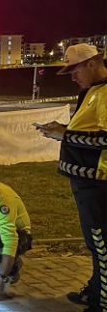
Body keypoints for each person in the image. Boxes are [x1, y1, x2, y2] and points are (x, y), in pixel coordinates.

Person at [37, 43, 107, 312]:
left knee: (100, 245)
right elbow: (89, 131)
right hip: (86, 180)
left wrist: (65, 135)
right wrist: (62, 129)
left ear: (92, 63)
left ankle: (101, 303)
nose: (73, 77)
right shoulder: (91, 91)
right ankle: (95, 290)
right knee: (95, 244)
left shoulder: (104, 92)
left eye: (75, 70)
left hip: (97, 181)